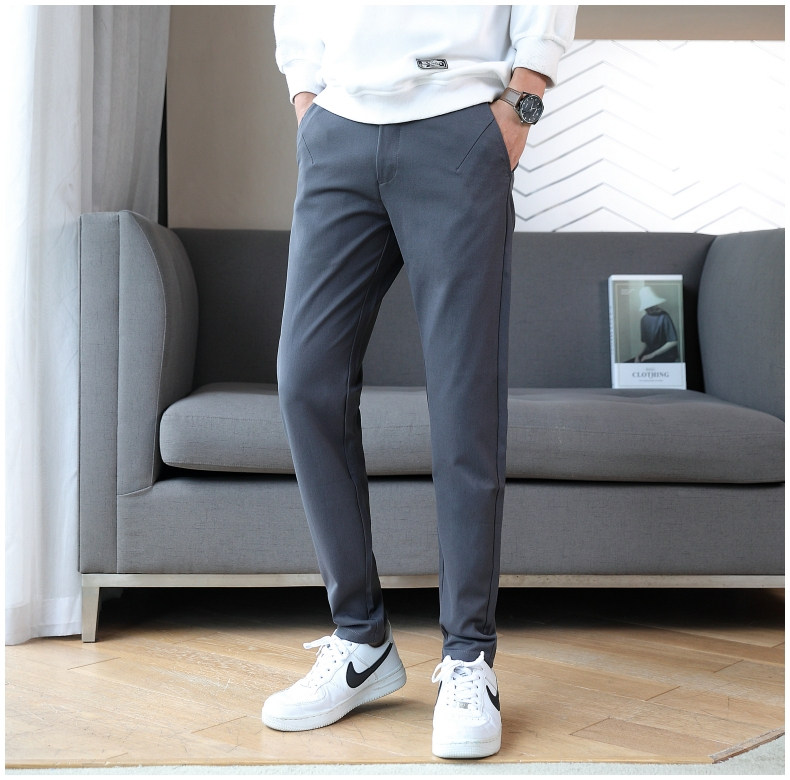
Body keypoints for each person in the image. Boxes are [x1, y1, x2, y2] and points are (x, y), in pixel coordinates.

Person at [263, 4, 577, 759]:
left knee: (463, 396)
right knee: (305, 379)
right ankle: (360, 641)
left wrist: (522, 103)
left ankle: (469, 656)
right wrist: (307, 95)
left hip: (459, 127)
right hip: (338, 129)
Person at [635, 287, 680, 363]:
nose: (652, 308)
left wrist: (653, 354)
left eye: (653, 305)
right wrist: (638, 355)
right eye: (648, 307)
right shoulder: (643, 319)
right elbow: (645, 343)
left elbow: (673, 341)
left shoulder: (664, 316)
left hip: (667, 357)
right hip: (652, 356)